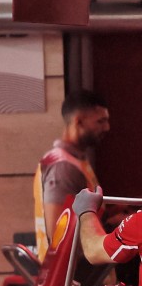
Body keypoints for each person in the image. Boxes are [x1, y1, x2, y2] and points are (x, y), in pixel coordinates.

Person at [36, 90, 109, 261]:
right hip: (73, 274)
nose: (107, 127)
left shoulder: (76, 161)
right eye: (100, 121)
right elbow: (59, 234)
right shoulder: (63, 166)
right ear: (79, 121)